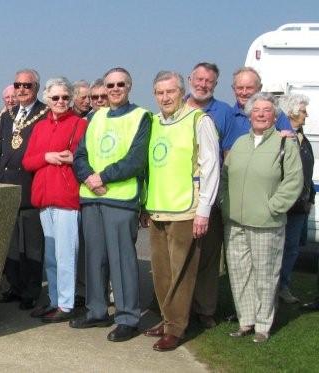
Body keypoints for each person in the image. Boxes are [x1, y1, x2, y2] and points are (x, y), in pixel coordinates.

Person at [142, 71, 220, 351]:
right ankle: (166, 319)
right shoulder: (154, 123)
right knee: (161, 272)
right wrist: (145, 204)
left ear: (181, 91)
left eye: (170, 92)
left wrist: (204, 210)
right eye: (160, 93)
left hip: (186, 209)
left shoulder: (199, 121)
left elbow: (210, 167)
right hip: (158, 208)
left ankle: (176, 327)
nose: (165, 97)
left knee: (182, 273)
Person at [72, 67, 150, 342]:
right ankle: (96, 311)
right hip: (92, 198)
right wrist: (89, 178)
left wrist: (102, 177)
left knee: (122, 260)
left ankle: (128, 317)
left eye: (120, 84)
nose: (115, 89)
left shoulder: (141, 117)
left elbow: (136, 159)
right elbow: (80, 154)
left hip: (120, 199)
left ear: (129, 87)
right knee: (94, 259)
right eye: (110, 85)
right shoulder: (95, 117)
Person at [221, 92, 302, 343]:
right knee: (239, 273)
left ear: (275, 116)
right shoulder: (240, 144)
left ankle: (263, 326)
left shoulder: (284, 144)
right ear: (249, 115)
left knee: (265, 275)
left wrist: (274, 207)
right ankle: (246, 320)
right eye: (257, 110)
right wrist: (225, 203)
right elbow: (225, 176)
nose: (262, 114)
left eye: (267, 110)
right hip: (235, 222)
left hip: (267, 222)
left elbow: (293, 180)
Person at [23, 77, 87, 323]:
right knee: (51, 255)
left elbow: (83, 157)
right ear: (47, 100)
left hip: (66, 198)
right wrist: (47, 156)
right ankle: (53, 300)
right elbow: (28, 161)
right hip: (44, 198)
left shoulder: (79, 124)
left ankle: (67, 304)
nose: (61, 102)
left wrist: (72, 159)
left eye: (65, 97)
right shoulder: (39, 127)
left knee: (66, 254)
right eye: (56, 98)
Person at [185, 62, 236, 328]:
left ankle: (204, 309)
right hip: (179, 197)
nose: (203, 84)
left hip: (210, 196)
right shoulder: (176, 105)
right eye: (199, 79)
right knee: (181, 256)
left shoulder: (223, 112)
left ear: (215, 85)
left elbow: (226, 157)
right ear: (190, 78)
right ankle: (175, 308)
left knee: (208, 257)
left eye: (209, 82)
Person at [0, 68, 48, 312]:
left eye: (27, 85)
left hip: (30, 185)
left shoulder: (44, 114)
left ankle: (30, 291)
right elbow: (3, 153)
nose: (22, 90)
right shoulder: (8, 115)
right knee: (12, 244)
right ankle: (14, 287)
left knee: (32, 245)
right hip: (7, 187)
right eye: (18, 85)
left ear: (36, 87)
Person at [277, 94, 314, 304]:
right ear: (290, 112)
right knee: (279, 248)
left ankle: (283, 286)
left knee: (292, 248)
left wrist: (311, 199)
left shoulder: (302, 137)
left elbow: (307, 172)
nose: (306, 114)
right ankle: (274, 288)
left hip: (300, 205)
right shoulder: (281, 137)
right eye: (302, 111)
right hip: (285, 205)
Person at [226, 67, 292, 151]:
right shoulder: (227, 116)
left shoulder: (275, 113)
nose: (244, 92)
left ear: (259, 88)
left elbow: (290, 142)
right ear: (233, 89)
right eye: (240, 88)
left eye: (249, 88)